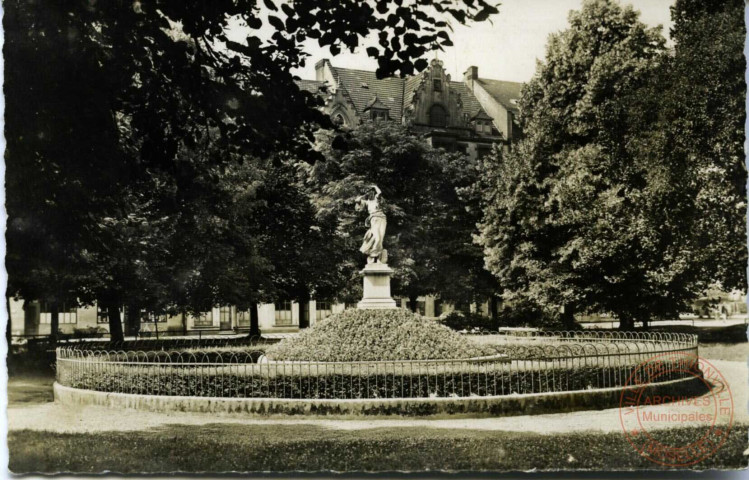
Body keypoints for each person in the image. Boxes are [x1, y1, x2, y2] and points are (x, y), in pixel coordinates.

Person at [356, 185, 387, 263]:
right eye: (368, 193)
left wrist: (375, 186)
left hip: (382, 219)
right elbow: (357, 200)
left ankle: (377, 254)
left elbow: (379, 192)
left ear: (373, 193)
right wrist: (363, 196)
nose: (370, 194)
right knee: (377, 238)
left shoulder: (377, 199)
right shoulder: (366, 202)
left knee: (381, 238)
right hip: (374, 220)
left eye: (371, 192)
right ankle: (373, 253)